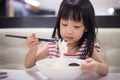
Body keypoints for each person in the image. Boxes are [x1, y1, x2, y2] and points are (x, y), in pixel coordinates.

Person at [24, 0, 109, 75]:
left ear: (86, 27)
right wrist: (32, 50)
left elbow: (105, 69)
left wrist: (96, 66)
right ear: (59, 23)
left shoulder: (88, 47)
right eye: (64, 24)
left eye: (76, 26)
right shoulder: (53, 46)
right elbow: (28, 65)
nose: (69, 31)